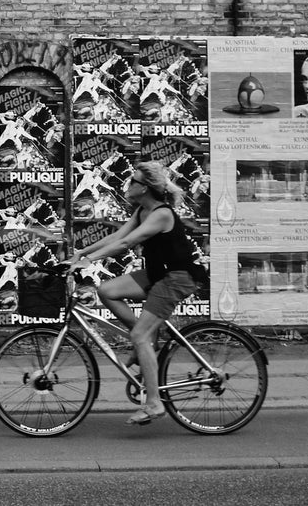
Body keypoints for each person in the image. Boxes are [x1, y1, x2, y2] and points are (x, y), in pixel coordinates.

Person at [70, 161, 206, 426]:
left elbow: (127, 243)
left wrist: (90, 262)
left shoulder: (161, 214)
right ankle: (144, 342)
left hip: (177, 277)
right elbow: (118, 235)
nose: (128, 184)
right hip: (158, 275)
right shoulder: (142, 210)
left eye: (133, 181)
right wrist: (81, 253)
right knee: (107, 290)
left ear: (145, 188)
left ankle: (154, 403)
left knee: (140, 334)